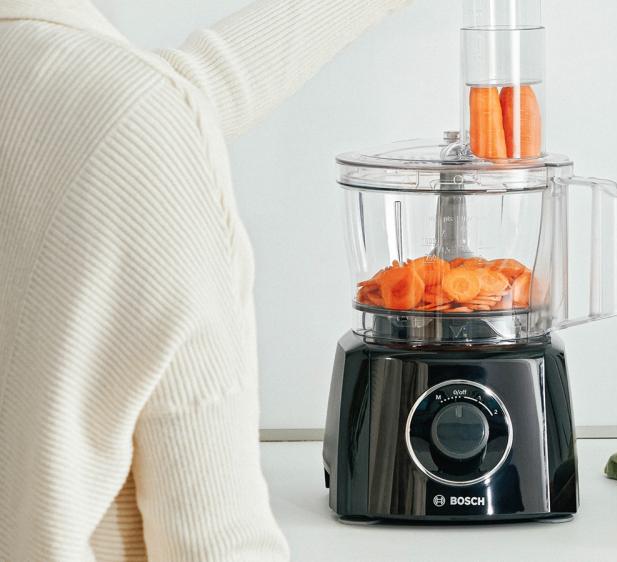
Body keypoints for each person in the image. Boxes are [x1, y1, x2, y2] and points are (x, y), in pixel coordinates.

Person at [0, 0, 409, 559]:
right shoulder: (141, 120)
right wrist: (160, 114)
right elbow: (214, 541)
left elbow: (153, 106)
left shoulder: (124, 110)